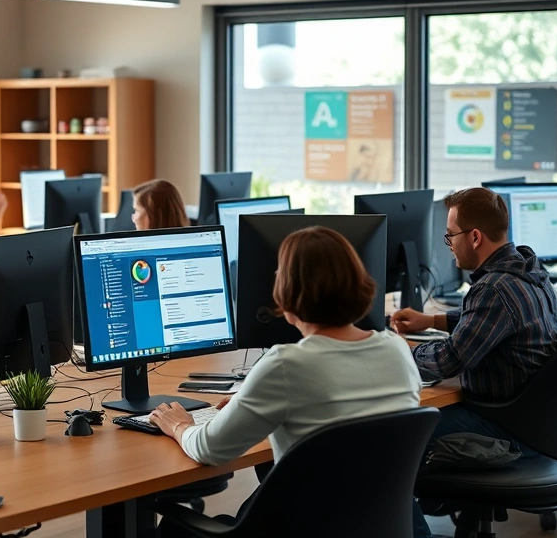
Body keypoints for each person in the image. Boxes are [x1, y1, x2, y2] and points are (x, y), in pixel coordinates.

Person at [150, 226, 421, 536]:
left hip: (308, 526)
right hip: (377, 526)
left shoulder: (285, 364)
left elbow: (210, 448)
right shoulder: (397, 348)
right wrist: (247, 404)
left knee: (173, 527)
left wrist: (178, 425)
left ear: (288, 288)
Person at [391, 187, 557, 538]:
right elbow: (490, 321)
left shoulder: (494, 289)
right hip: (534, 423)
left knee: (390, 437)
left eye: (450, 235)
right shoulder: (527, 269)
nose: (447, 244)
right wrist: (432, 321)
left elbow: (448, 360)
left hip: (504, 430)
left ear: (475, 236)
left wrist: (395, 354)